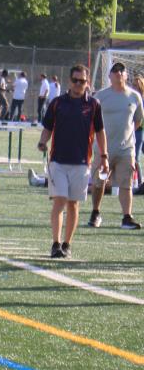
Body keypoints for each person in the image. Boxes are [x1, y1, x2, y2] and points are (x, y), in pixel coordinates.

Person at [38, 64, 108, 258]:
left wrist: (104, 156)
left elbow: (100, 132)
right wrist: (42, 142)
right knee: (59, 201)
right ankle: (55, 244)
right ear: (69, 81)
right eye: (75, 80)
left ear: (87, 82)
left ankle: (67, 244)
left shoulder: (94, 105)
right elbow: (48, 127)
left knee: (73, 204)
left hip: (82, 162)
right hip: (58, 161)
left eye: (82, 81)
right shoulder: (57, 103)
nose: (78, 84)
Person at [86, 62, 143, 230]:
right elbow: (90, 120)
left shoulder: (135, 96)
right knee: (99, 183)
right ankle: (95, 212)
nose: (119, 73)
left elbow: (138, 120)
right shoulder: (100, 96)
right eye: (115, 70)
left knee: (126, 184)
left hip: (126, 150)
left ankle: (127, 217)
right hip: (103, 150)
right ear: (109, 76)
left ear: (126, 75)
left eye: (122, 71)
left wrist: (126, 137)